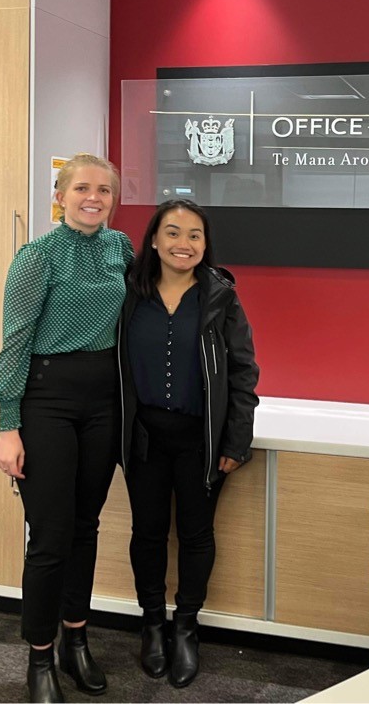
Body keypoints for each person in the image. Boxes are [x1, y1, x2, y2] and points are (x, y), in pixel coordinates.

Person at [0, 153, 134, 702]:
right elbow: (15, 342)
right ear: (61, 194)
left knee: (86, 527)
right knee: (50, 539)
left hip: (103, 400)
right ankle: (40, 656)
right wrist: (9, 426)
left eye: (104, 190)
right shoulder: (36, 256)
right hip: (47, 400)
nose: (93, 197)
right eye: (81, 188)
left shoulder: (120, 249)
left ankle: (77, 639)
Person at [118, 199, 259, 688]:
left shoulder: (220, 296)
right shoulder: (129, 292)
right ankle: (152, 625)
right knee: (149, 532)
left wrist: (237, 440)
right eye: (173, 233)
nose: (184, 244)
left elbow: (243, 372)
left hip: (202, 439)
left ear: (206, 244)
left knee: (197, 535)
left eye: (195, 235)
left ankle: (186, 627)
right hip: (144, 438)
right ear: (154, 240)